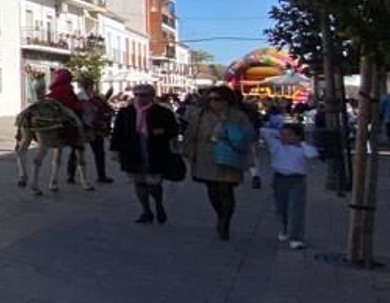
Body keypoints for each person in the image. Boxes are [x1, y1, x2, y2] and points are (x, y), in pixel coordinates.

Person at [183, 84, 254, 241]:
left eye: (218, 99)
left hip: (229, 157)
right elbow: (190, 134)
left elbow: (248, 136)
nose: (213, 102)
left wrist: (229, 135)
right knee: (213, 190)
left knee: (226, 190)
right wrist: (188, 153)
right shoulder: (200, 114)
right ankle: (220, 215)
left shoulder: (237, 116)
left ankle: (225, 222)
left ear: (227, 100)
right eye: (210, 99)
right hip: (205, 158)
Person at [110, 83, 180, 224]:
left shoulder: (162, 112)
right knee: (138, 182)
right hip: (132, 151)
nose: (139, 98)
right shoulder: (126, 112)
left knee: (154, 183)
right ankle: (146, 211)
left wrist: (163, 131)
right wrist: (115, 150)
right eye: (136, 95)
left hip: (155, 151)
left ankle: (159, 205)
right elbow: (117, 132)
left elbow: (174, 129)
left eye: (143, 95)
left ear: (151, 96)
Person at [264, 120, 317, 250]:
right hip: (279, 178)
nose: (285, 137)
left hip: (297, 180)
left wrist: (300, 143)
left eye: (289, 135)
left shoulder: (303, 148)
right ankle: (285, 228)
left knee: (295, 207)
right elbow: (264, 132)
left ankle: (296, 237)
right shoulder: (276, 145)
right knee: (281, 207)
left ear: (298, 136)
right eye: (283, 135)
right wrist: (280, 134)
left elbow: (312, 154)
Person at [70, 76, 115, 184]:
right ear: (89, 85)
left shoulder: (85, 95)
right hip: (90, 128)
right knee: (97, 152)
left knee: (77, 152)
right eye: (91, 84)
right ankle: (101, 176)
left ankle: (71, 176)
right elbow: (91, 111)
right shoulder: (85, 96)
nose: (92, 86)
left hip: (85, 127)